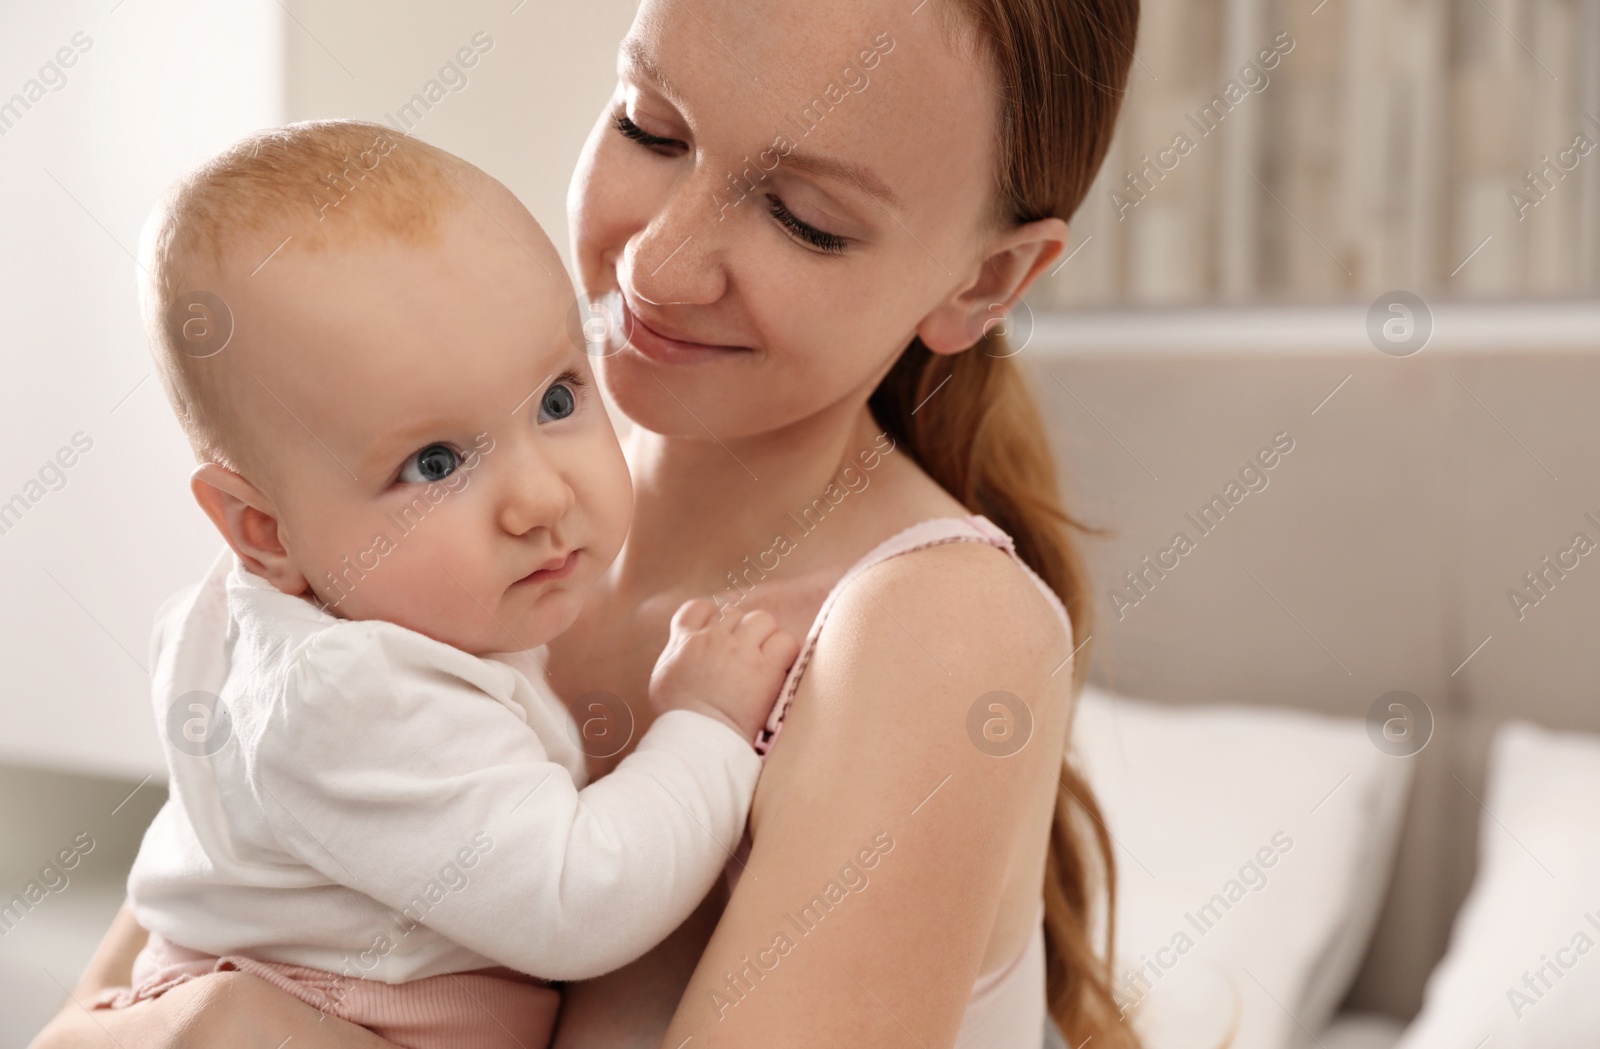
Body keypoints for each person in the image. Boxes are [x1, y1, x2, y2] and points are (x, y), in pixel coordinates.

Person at [31, 0, 1143, 1045]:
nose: (655, 263)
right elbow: (124, 990)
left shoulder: (931, 634)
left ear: (987, 281)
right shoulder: (408, 547)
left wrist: (240, 1026)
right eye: (648, 127)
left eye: (804, 221)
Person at [89, 120, 798, 1049]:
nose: (541, 498)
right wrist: (705, 725)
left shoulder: (255, 613)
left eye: (555, 399)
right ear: (264, 531)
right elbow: (580, 899)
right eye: (433, 464)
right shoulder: (350, 694)